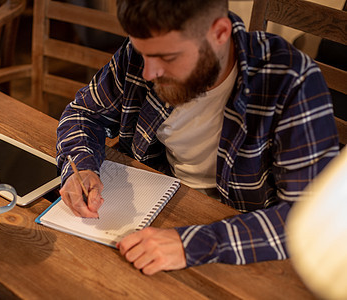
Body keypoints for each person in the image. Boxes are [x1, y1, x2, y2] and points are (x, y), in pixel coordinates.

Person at [56, 0, 339, 275]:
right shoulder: (144, 51)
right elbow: (84, 114)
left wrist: (190, 245)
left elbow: (312, 218)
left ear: (219, 33)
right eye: (143, 54)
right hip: (157, 209)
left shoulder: (291, 81)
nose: (148, 73)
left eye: (167, 58)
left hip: (243, 244)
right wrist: (81, 167)